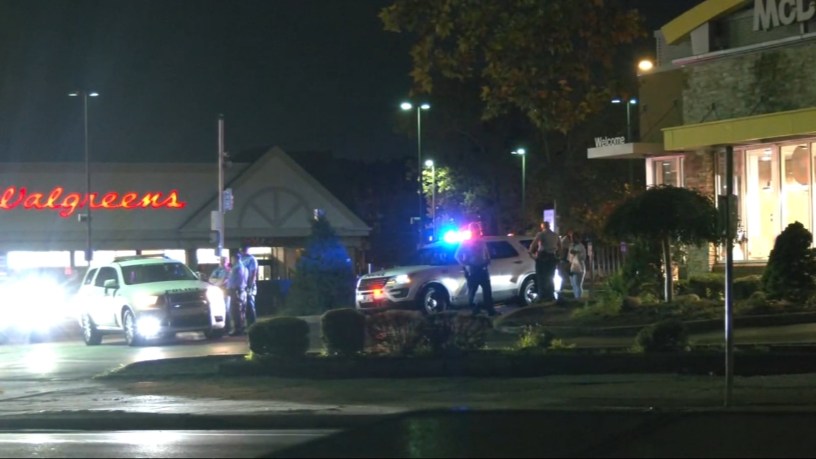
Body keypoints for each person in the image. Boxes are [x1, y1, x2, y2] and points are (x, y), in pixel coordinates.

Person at [455, 222, 499, 317]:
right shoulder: (466, 242)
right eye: (475, 229)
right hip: (473, 270)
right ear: (471, 230)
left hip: (483, 269)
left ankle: (490, 310)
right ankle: (474, 310)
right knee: (472, 292)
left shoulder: (482, 241)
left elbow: (486, 253)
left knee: (487, 291)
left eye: (478, 229)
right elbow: (457, 255)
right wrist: (465, 264)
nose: (477, 231)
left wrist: (488, 259)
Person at [529, 221, 561, 302]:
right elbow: (560, 246)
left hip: (543, 257)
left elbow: (533, 244)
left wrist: (531, 253)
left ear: (543, 226)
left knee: (541, 277)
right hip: (552, 257)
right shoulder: (555, 235)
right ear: (549, 226)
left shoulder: (541, 234)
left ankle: (542, 296)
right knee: (550, 277)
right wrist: (558, 256)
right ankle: (550, 295)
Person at [226, 252, 248, 336]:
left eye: (232, 259)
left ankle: (237, 329)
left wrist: (228, 289)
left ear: (235, 259)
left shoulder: (235, 268)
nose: (231, 261)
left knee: (235, 311)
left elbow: (231, 281)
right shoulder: (245, 268)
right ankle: (242, 328)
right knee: (242, 310)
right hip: (243, 290)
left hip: (235, 291)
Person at [208, 256, 231, 332]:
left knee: (226, 309)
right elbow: (210, 279)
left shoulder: (228, 270)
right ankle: (220, 327)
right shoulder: (216, 270)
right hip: (217, 291)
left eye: (224, 260)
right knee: (217, 310)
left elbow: (224, 281)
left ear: (227, 262)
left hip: (226, 291)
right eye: (221, 260)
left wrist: (216, 281)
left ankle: (227, 328)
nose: (222, 262)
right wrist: (218, 281)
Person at [239, 245, 259, 326]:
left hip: (248, 285)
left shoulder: (251, 259)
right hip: (241, 285)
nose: (242, 252)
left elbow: (253, 273)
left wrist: (250, 285)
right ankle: (244, 324)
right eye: (241, 250)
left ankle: (252, 324)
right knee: (243, 306)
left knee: (250, 304)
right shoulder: (241, 259)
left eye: (243, 250)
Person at [567, 231, 587, 300]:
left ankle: (578, 298)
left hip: (579, 267)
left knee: (577, 284)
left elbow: (583, 257)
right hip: (572, 267)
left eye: (574, 237)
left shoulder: (581, 246)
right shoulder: (571, 246)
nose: (573, 239)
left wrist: (576, 253)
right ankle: (576, 298)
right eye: (572, 238)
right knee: (573, 284)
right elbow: (569, 258)